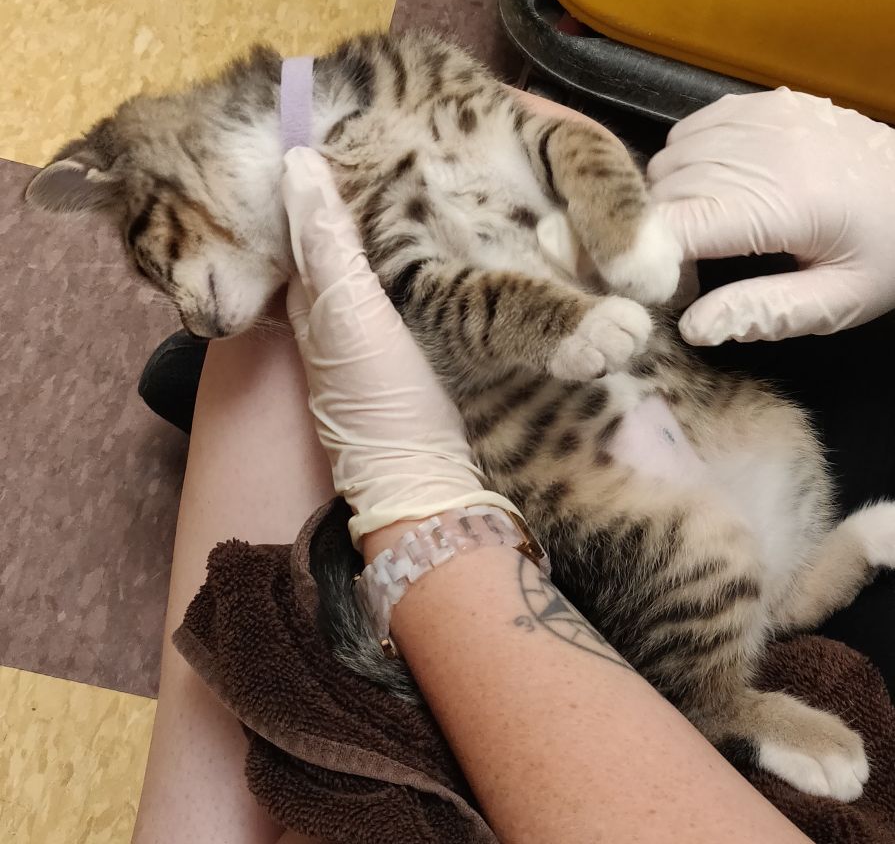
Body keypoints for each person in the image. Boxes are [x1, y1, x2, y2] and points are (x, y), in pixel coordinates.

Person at [132, 88, 895, 843]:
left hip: (589, 557)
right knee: (528, 130)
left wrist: (415, 510)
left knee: (274, 354)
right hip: (685, 397)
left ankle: (719, 701)